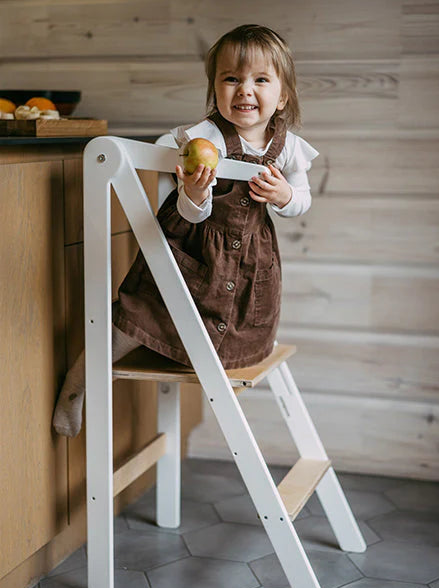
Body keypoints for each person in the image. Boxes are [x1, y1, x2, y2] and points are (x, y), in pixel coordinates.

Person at [53, 24, 318, 438]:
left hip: (248, 266)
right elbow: (192, 217)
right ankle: (78, 384)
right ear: (215, 89)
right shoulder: (203, 137)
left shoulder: (288, 148)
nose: (245, 90)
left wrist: (284, 195)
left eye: (260, 80)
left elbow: (302, 200)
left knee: (234, 329)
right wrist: (194, 192)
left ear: (282, 95)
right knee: (135, 318)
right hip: (189, 256)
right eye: (232, 78)